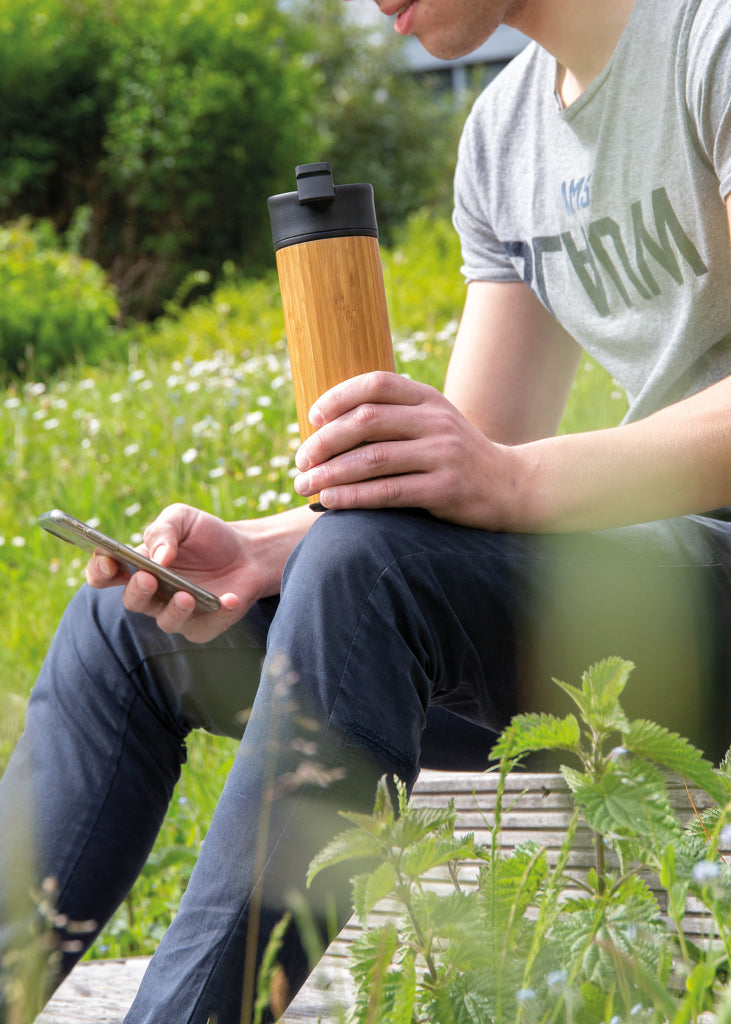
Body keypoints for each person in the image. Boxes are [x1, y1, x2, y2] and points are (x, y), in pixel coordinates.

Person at [2, 0, 731, 1020]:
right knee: (131, 624)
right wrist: (263, 549)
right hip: (610, 597)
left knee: (365, 571)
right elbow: (446, 491)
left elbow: (488, 486)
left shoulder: (706, 42)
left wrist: (509, 482)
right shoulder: (504, 132)